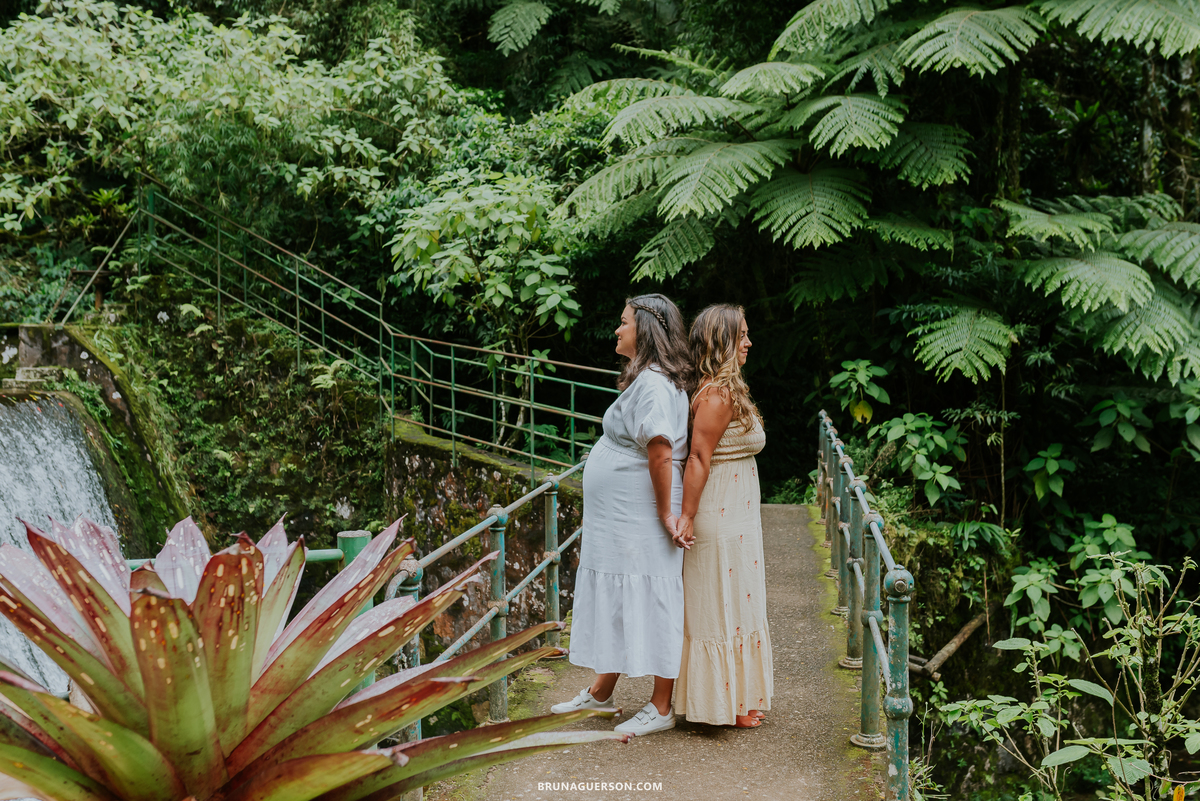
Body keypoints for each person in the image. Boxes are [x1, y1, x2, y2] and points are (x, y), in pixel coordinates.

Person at [551, 293, 693, 736]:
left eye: (624, 322)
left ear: (645, 331)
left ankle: (661, 705)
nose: (617, 329)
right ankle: (602, 692)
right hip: (621, 513)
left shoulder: (654, 384)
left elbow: (660, 449)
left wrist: (665, 514)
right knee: (619, 594)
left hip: (640, 512)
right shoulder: (648, 379)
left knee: (653, 594)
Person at [674, 304, 774, 728]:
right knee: (720, 606)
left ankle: (733, 698)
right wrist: (687, 516)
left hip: (738, 516)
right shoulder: (716, 395)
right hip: (720, 515)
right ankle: (723, 706)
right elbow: (698, 457)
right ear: (721, 341)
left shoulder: (726, 389)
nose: (748, 342)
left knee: (736, 603)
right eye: (741, 335)